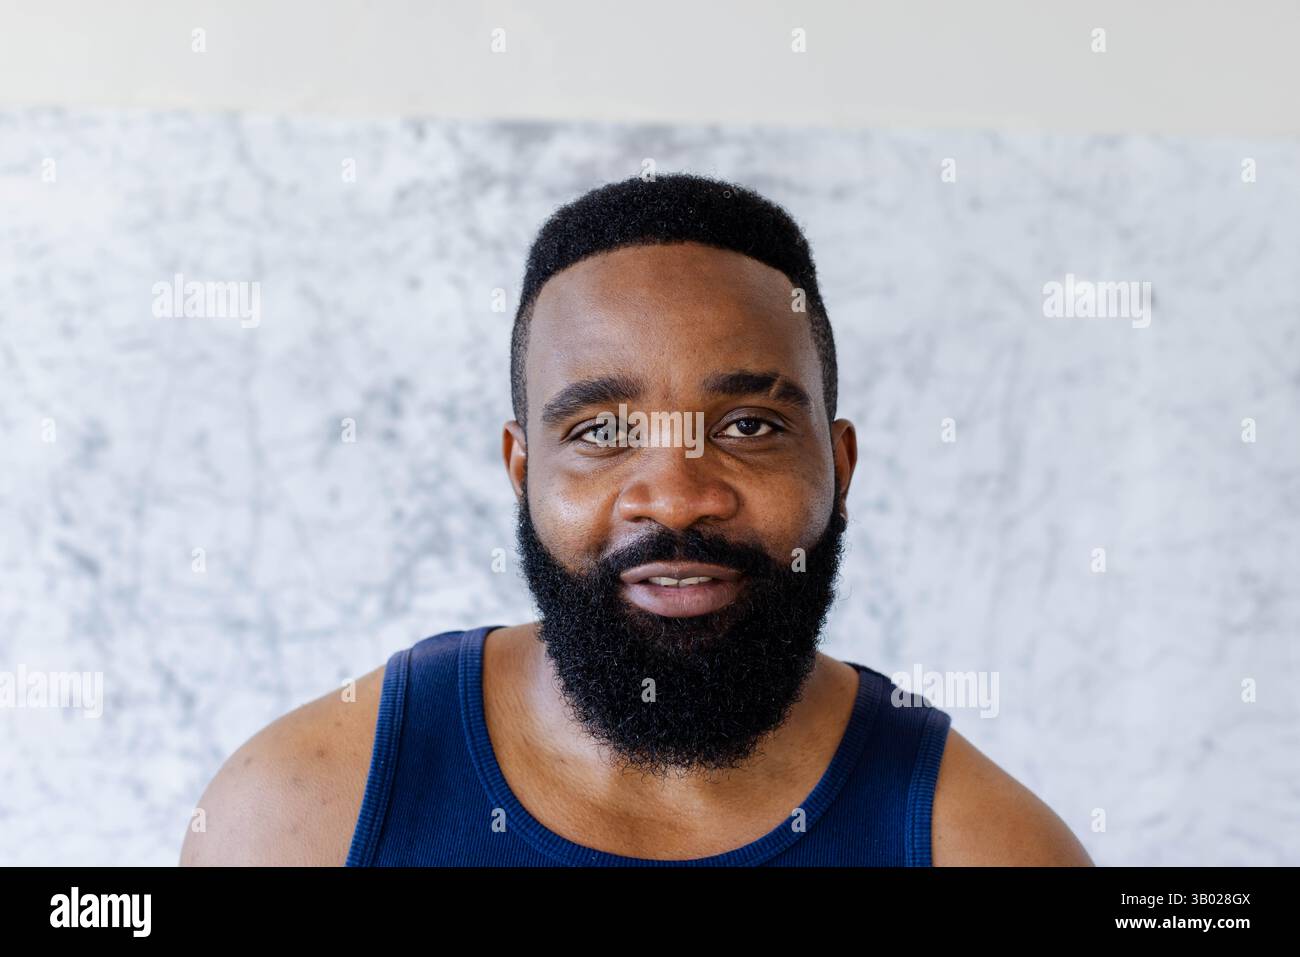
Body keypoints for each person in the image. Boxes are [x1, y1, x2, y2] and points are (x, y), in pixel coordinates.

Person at [180, 174, 1093, 866]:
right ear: (523, 469)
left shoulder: (985, 844)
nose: (678, 494)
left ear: (839, 466)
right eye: (603, 431)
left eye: (748, 425)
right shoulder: (299, 813)